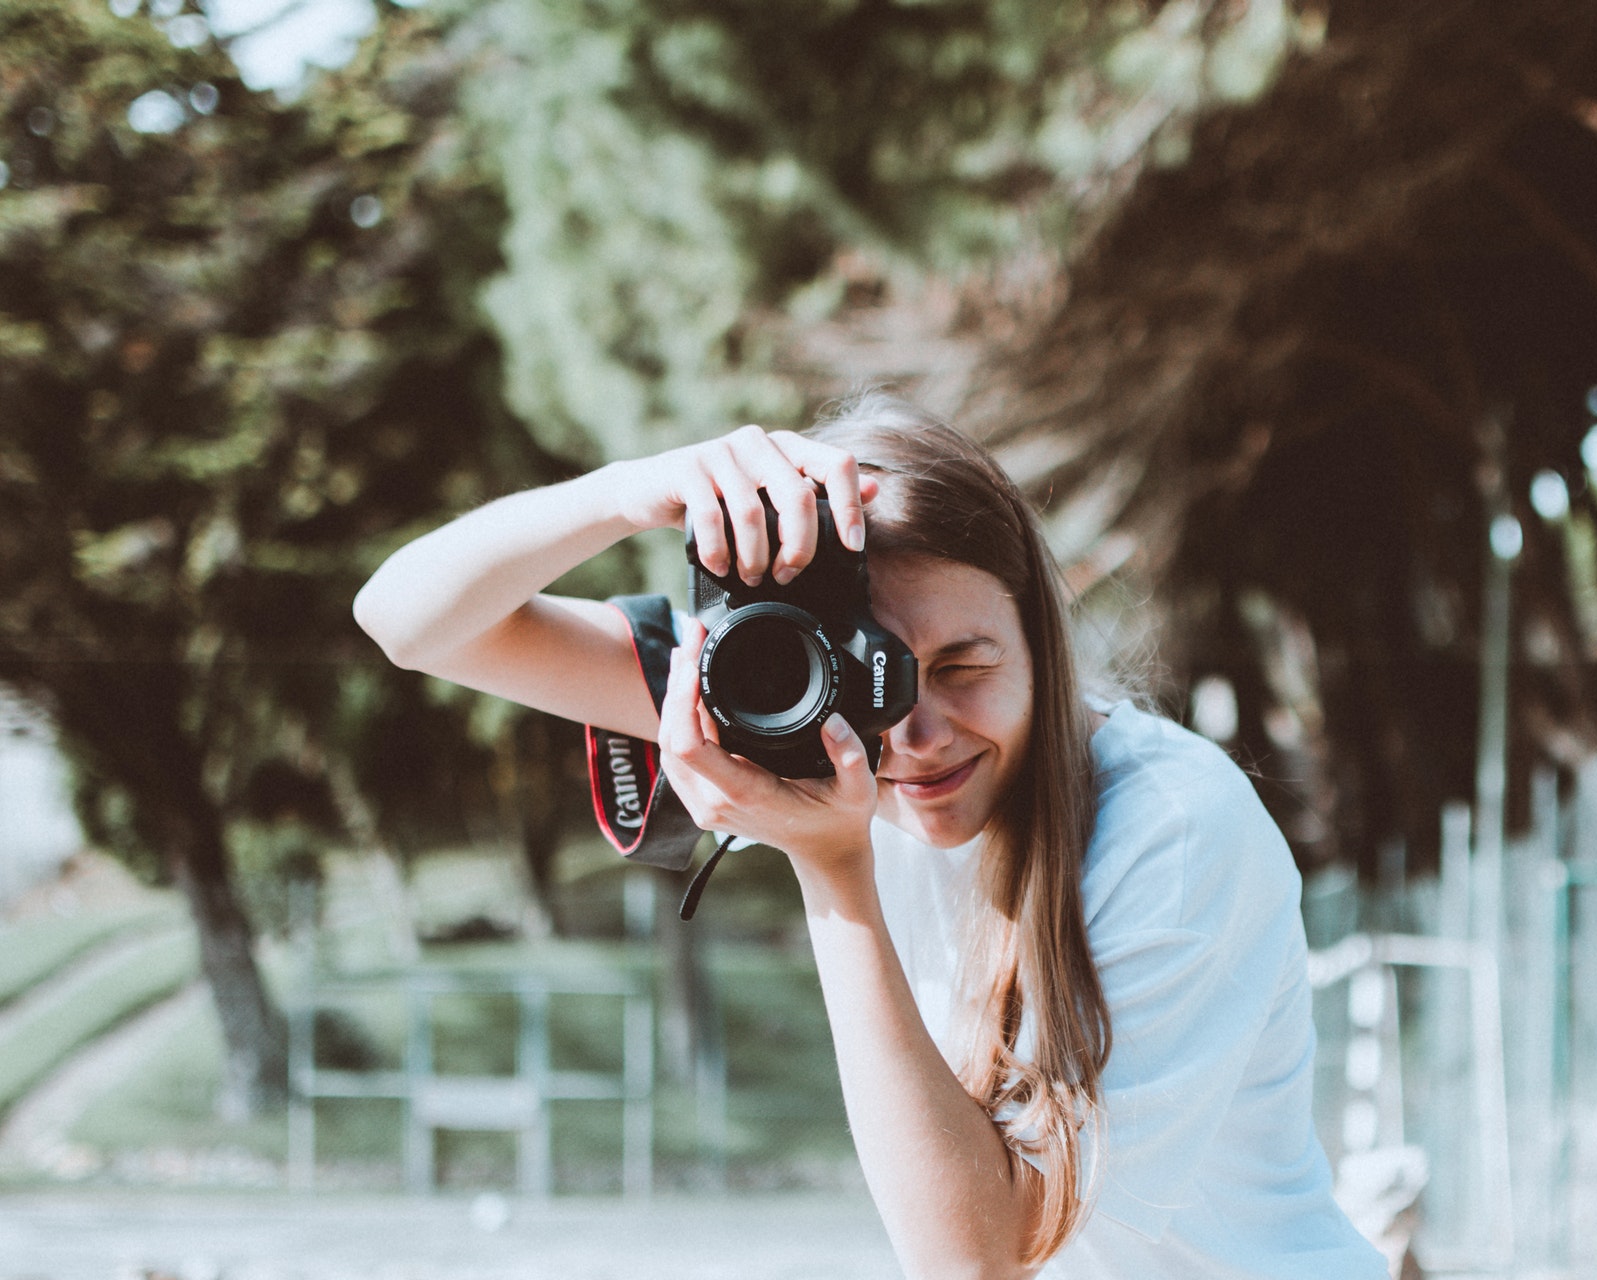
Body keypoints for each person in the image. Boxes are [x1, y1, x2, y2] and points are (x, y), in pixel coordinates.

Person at [353, 392, 1387, 1280]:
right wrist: (631, 490)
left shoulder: (1169, 829)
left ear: (1041, 632)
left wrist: (833, 868)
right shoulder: (789, 709)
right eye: (868, 676)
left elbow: (982, 1256)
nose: (917, 734)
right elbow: (409, 619)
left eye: (964, 664)